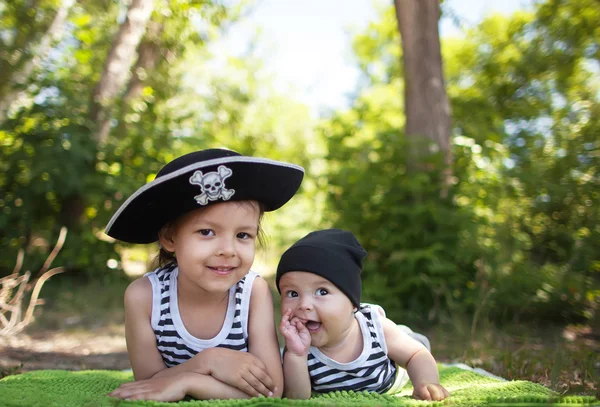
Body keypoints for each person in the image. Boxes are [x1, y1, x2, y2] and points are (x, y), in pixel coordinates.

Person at [106, 148, 304, 402]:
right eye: (207, 232)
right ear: (169, 237)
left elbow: (271, 390)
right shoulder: (144, 297)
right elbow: (149, 385)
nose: (228, 250)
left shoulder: (252, 292)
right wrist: (208, 361)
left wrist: (189, 381)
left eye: (243, 235)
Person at [276, 229, 450, 401]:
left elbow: (416, 355)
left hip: (389, 368)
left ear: (353, 303)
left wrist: (426, 383)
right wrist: (297, 356)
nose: (304, 305)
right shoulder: (298, 347)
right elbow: (297, 398)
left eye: (322, 291)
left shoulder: (375, 328)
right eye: (292, 293)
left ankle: (411, 336)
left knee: (413, 344)